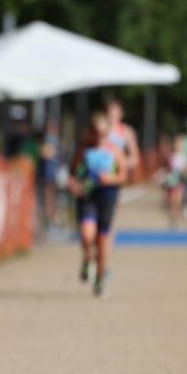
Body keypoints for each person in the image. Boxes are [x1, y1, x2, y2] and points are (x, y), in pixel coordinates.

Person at [68, 111, 127, 298]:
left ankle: (101, 279)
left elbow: (123, 175)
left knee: (102, 240)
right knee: (87, 235)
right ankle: (87, 259)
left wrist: (110, 178)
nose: (98, 136)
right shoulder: (84, 150)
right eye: (95, 132)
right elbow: (72, 173)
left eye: (103, 133)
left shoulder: (114, 151)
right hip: (87, 196)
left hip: (107, 196)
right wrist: (74, 185)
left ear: (107, 133)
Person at [105, 97, 141, 180]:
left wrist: (120, 163)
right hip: (100, 174)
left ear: (121, 114)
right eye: (110, 114)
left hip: (116, 175)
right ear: (106, 113)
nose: (113, 117)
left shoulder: (127, 132)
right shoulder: (100, 129)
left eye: (116, 114)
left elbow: (135, 159)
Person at [38, 120, 62, 229]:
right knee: (48, 198)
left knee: (52, 198)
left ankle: (51, 218)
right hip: (48, 175)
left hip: (53, 174)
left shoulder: (53, 140)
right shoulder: (47, 141)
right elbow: (45, 153)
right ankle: (48, 219)